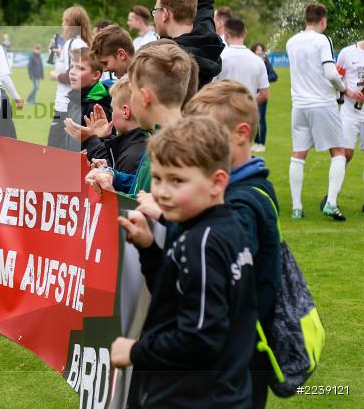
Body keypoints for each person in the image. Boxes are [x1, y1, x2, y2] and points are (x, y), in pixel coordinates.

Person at [111, 116, 257, 409]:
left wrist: (136, 351)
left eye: (177, 180)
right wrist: (150, 249)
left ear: (217, 182)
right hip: (223, 390)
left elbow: (200, 338)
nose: (162, 191)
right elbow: (179, 296)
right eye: (158, 178)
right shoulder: (221, 226)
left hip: (193, 397)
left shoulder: (201, 243)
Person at [184, 80, 282, 409]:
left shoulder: (244, 202)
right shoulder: (244, 188)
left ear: (241, 133)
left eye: (209, 135)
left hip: (237, 358)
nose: (199, 146)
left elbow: (218, 271)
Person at [86, 41, 194, 197]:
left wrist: (113, 197)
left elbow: (160, 212)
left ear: (144, 97)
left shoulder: (174, 149)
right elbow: (143, 186)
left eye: (133, 91)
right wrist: (115, 177)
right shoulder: (160, 137)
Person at [285, 2, 347, 221]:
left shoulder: (291, 41)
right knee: (338, 152)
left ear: (306, 19)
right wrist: (343, 88)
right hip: (321, 103)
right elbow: (330, 73)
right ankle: (330, 203)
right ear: (323, 21)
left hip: (299, 105)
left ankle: (296, 207)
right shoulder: (323, 40)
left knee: (298, 155)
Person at [153, 0, 224, 87]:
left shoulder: (166, 58)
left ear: (166, 14)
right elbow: (205, 3)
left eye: (155, 11)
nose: (154, 16)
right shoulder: (206, 39)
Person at [66, 77, 146, 176]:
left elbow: (113, 182)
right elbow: (112, 162)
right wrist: (104, 139)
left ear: (126, 112)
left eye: (113, 108)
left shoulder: (133, 156)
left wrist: (90, 141)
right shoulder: (135, 143)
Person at [48, 5, 90, 149]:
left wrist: (56, 75)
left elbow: (74, 76)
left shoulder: (72, 43)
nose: (62, 25)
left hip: (66, 105)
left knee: (53, 150)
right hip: (70, 105)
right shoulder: (78, 43)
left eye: (65, 21)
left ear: (72, 24)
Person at [215, 18, 270, 115]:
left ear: (226, 35)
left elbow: (210, 89)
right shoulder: (258, 60)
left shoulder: (220, 58)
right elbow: (264, 94)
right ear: (245, 33)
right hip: (247, 115)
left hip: (224, 114)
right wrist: (246, 105)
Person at [336, 36, 364, 209]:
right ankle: (332, 197)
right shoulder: (347, 52)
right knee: (346, 154)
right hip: (349, 112)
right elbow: (336, 79)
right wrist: (350, 92)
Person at [67, 47, 112, 124]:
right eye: (71, 67)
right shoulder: (75, 99)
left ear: (95, 75)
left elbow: (103, 135)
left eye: (80, 68)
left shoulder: (97, 109)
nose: (72, 72)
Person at [250, 43, 278, 152]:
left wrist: (263, 79)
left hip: (262, 94)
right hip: (252, 93)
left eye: (261, 50)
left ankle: (262, 143)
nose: (259, 51)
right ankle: (256, 142)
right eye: (257, 49)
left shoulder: (265, 63)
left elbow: (274, 76)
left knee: (261, 119)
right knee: (254, 119)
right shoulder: (251, 62)